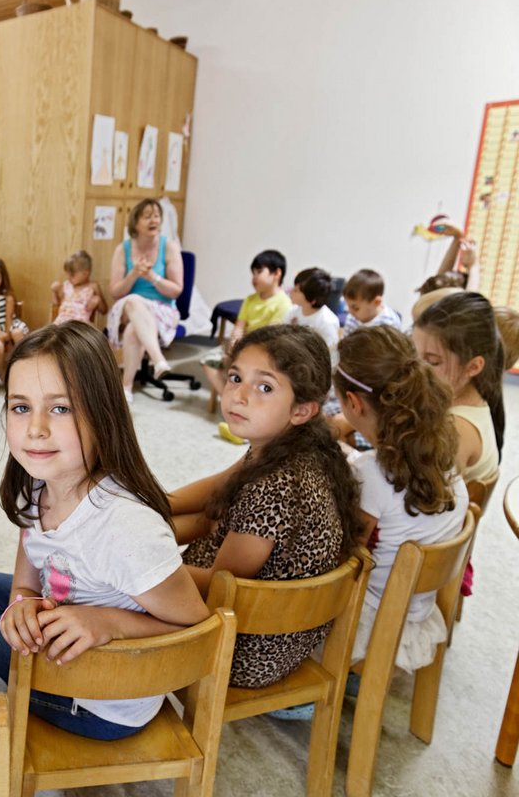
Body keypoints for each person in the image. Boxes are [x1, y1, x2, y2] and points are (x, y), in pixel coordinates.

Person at [0, 323, 209, 740]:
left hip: (103, 699)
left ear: (103, 415)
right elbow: (28, 573)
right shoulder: (39, 482)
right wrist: (22, 604)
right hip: (66, 641)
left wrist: (109, 622)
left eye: (60, 408)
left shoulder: (125, 527)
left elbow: (195, 630)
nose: (35, 428)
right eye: (20, 407)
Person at [169, 324, 360, 689]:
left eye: (265, 387)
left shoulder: (274, 488)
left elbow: (220, 587)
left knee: (98, 590)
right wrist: (151, 506)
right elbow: (217, 488)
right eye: (236, 377)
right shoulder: (285, 446)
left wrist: (139, 565)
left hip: (243, 647)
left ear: (302, 410)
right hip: (260, 628)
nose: (239, 395)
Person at [334, 327, 468, 671]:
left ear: (353, 402)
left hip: (371, 625)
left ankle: (318, 683)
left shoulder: (372, 474)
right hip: (417, 615)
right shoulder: (445, 460)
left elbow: (347, 557)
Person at [199, 250, 291, 441]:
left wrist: (242, 352)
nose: (254, 278)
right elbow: (239, 327)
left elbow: (272, 339)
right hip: (244, 348)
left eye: (259, 272)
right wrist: (233, 345)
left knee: (248, 373)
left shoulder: (283, 303)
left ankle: (245, 416)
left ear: (277, 274)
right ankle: (232, 409)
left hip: (265, 353)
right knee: (208, 361)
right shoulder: (250, 300)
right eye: (253, 273)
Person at [413, 291, 504, 482]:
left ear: (473, 367)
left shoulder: (456, 431)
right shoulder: (468, 397)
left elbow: (425, 505)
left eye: (433, 361)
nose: (418, 368)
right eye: (415, 355)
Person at [106, 200, 185, 403]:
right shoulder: (121, 250)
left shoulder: (169, 247)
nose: (154, 220)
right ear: (136, 222)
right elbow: (116, 292)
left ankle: (126, 388)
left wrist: (152, 277)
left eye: (157, 215)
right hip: (126, 307)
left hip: (162, 309)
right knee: (133, 301)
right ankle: (159, 360)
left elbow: (176, 290)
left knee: (134, 330)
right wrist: (134, 274)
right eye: (148, 216)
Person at [284, 267, 340, 362]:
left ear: (312, 300)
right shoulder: (293, 311)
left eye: (296, 290)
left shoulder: (327, 321)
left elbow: (329, 352)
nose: (291, 291)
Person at [51, 250, 106, 324]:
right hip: (61, 325)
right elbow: (56, 304)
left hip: (79, 328)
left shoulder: (92, 287)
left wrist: (98, 301)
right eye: (67, 274)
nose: (68, 277)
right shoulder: (66, 286)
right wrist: (54, 292)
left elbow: (104, 311)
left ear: (85, 274)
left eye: (72, 275)